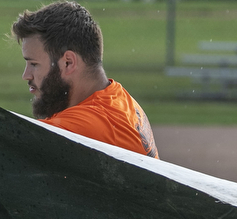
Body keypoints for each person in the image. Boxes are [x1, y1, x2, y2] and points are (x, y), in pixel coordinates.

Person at [12, 2, 158, 159]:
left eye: (34, 64)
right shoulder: (118, 99)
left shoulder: (81, 129)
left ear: (68, 62)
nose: (26, 75)